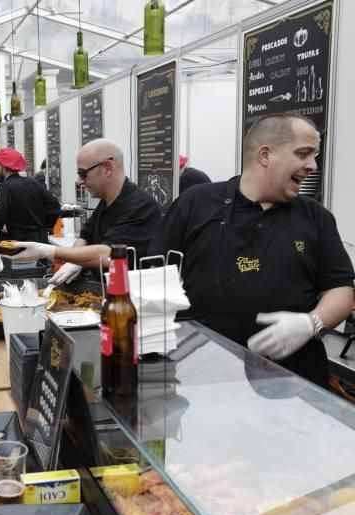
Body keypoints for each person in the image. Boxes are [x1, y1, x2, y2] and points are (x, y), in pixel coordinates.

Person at [149, 113, 354, 388]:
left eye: (315, 155)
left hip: (294, 382)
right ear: (265, 155)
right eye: (304, 153)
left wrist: (311, 323)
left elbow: (340, 290)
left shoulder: (316, 217)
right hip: (201, 376)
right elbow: (154, 273)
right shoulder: (196, 203)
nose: (313, 165)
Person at [8, 139, 161, 284]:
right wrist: (74, 262)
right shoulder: (105, 203)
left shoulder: (140, 204)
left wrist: (49, 251)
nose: (79, 181)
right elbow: (85, 237)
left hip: (131, 300)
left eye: (83, 173)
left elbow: (110, 254)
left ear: (107, 168)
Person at [0, 148, 61, 244]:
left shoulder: (4, 188)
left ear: (4, 167)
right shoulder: (34, 183)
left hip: (18, 245)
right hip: (41, 243)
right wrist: (46, 226)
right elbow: (55, 206)